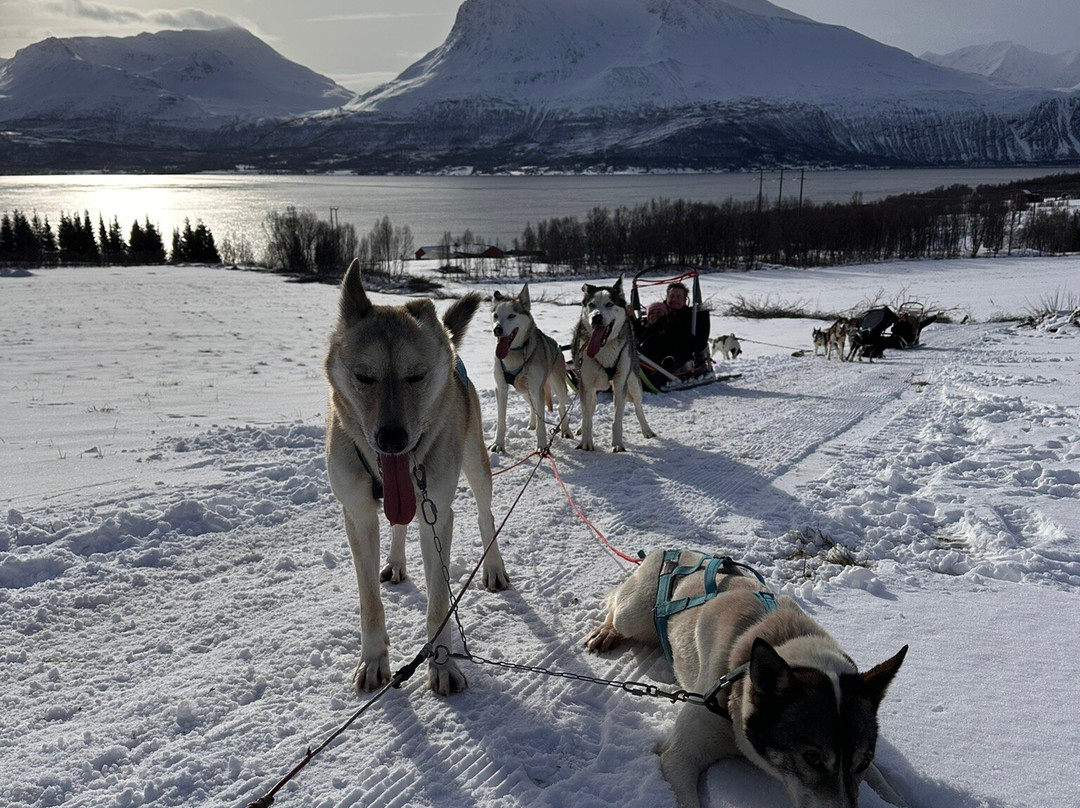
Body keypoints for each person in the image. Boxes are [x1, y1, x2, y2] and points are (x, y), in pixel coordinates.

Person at [662, 282, 710, 370]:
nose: (674, 299)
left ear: (685, 300)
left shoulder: (692, 317)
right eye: (672, 296)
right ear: (667, 298)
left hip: (682, 356)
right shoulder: (658, 313)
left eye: (679, 297)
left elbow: (700, 341)